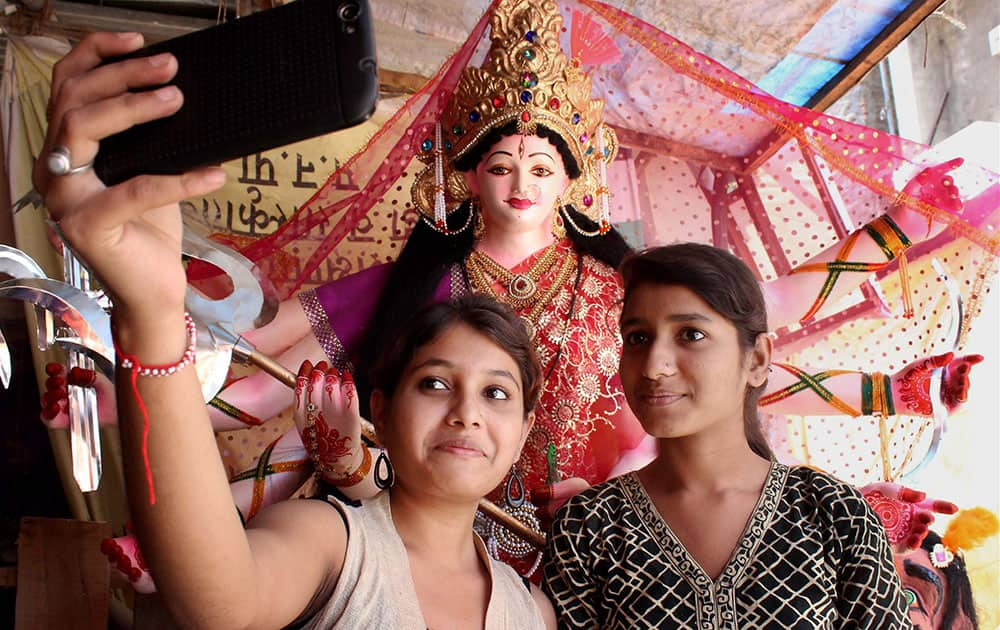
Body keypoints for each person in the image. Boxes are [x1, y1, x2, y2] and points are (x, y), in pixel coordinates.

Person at [543, 243, 911, 628]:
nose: (654, 367)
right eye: (638, 338)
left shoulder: (834, 514)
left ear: (757, 359)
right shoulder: (589, 527)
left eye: (690, 334)